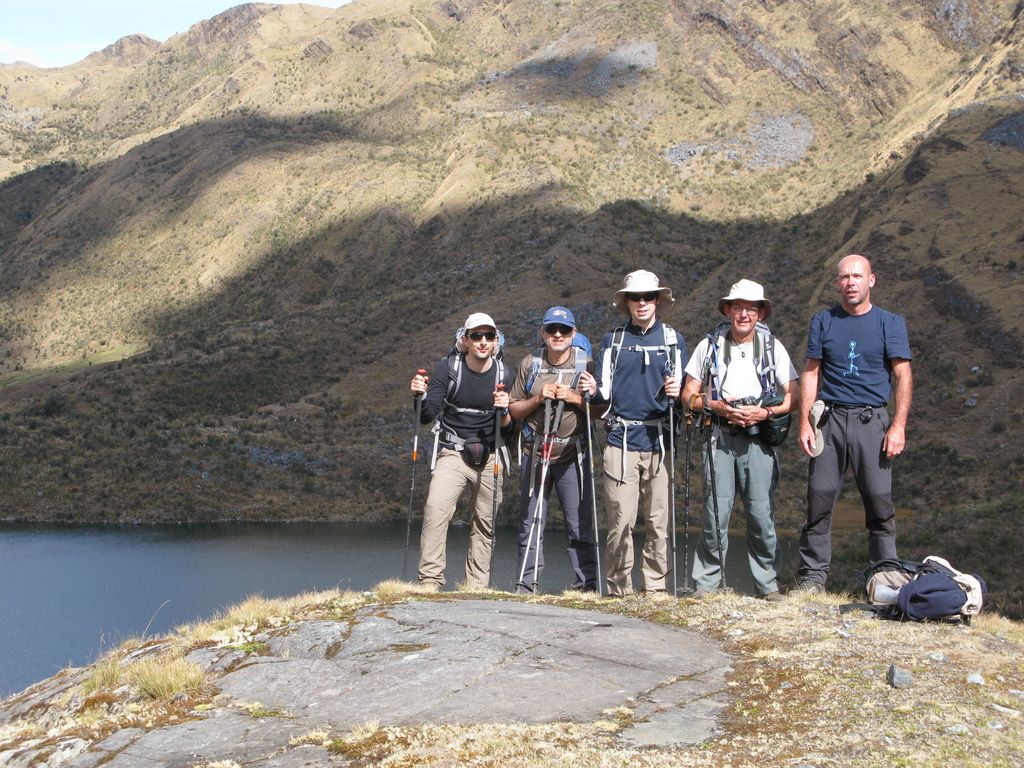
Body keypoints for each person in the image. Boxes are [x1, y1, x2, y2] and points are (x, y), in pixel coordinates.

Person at [793, 254, 913, 593]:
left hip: (871, 421)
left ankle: (885, 578)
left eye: (857, 276)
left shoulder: (890, 323)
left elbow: (903, 375)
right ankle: (812, 580)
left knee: (879, 502)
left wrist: (898, 426)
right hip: (829, 421)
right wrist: (805, 423)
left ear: (871, 280)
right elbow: (812, 372)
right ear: (837, 283)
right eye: (844, 277)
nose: (851, 282)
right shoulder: (823, 321)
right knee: (819, 500)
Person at [681, 279, 798, 600]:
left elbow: (793, 396)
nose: (743, 314)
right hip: (719, 437)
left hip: (759, 441)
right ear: (728, 309)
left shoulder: (773, 348)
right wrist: (715, 406)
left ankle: (768, 586)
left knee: (761, 515)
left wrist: (765, 414)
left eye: (751, 308)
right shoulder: (710, 346)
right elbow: (688, 394)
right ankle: (706, 587)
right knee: (714, 515)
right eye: (738, 307)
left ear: (760, 313)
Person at [589, 270, 685, 596]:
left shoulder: (673, 340)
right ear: (626, 302)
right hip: (621, 440)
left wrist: (679, 390)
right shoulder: (612, 341)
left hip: (660, 442)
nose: (641, 303)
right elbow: (602, 395)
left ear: (657, 299)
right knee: (620, 523)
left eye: (647, 297)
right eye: (635, 297)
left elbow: (684, 397)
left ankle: (656, 591)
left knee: (658, 524)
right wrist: (590, 390)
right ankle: (619, 591)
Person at [410, 313, 513, 590]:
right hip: (452, 452)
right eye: (476, 336)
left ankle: (476, 586)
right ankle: (430, 581)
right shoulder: (449, 368)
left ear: (495, 341)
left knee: (485, 522)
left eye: (488, 336)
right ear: (465, 340)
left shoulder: (506, 374)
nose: (482, 342)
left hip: (491, 454)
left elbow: (510, 427)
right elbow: (427, 415)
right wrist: (419, 395)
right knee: (436, 510)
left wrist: (504, 411)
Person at [509, 307, 598, 593]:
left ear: (573, 333)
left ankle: (587, 586)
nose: (557, 335)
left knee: (578, 523)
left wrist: (573, 397)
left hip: (572, 455)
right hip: (535, 452)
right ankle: (526, 585)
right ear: (543, 333)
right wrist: (538, 398)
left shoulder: (586, 364)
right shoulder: (530, 364)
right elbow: (514, 408)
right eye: (551, 330)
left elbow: (599, 411)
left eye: (563, 330)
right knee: (531, 521)